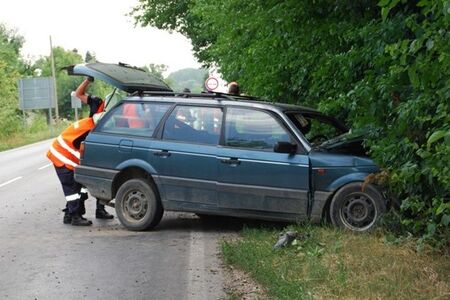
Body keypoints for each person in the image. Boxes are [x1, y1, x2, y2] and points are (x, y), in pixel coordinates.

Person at [47, 77, 113, 226]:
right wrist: (87, 81)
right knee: (73, 186)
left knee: (80, 185)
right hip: (62, 156)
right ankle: (74, 215)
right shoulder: (96, 109)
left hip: (66, 152)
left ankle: (73, 214)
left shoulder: (95, 124)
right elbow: (79, 148)